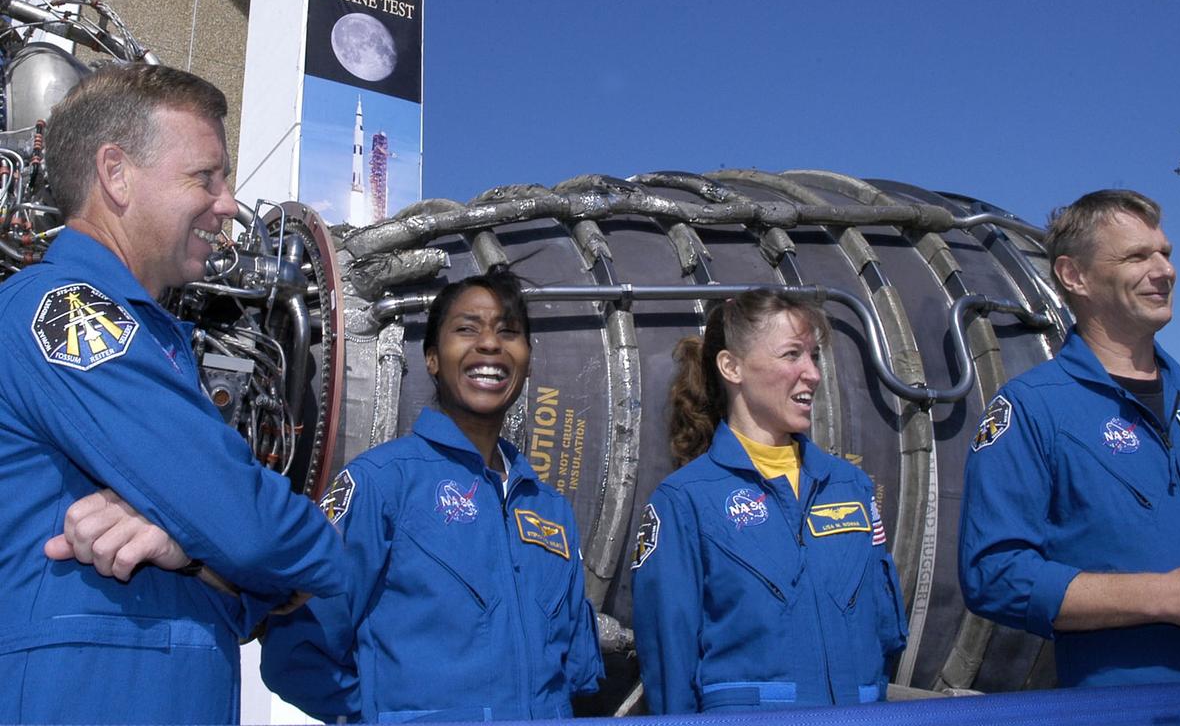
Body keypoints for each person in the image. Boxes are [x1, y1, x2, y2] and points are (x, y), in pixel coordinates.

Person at [0, 64, 349, 724]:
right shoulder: (65, 312)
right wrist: (320, 551)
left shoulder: (147, 335)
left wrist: (191, 555)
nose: (227, 203)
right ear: (116, 173)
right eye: (205, 177)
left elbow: (239, 565)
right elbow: (246, 526)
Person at [959, 188, 1180, 688]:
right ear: (1075, 276)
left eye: (1165, 254)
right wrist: (1168, 596)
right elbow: (995, 575)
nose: (1165, 270)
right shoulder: (1031, 408)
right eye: (1137, 256)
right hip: (1127, 709)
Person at [260, 269, 603, 721]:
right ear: (432, 358)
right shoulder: (381, 485)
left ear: (527, 359)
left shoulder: (549, 510)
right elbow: (298, 653)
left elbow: (576, 671)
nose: (489, 345)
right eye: (466, 329)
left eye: (509, 332)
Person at [631, 289, 907, 714]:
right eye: (792, 355)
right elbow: (671, 672)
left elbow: (885, 636)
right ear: (732, 367)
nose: (812, 374)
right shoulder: (683, 501)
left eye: (813, 356)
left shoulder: (850, 487)